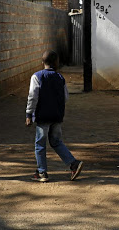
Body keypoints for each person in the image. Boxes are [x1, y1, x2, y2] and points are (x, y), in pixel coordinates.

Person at [26, 50, 83, 182]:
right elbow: (65, 97)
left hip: (43, 117)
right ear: (56, 63)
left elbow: (32, 97)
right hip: (57, 116)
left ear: (42, 62)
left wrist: (29, 114)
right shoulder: (60, 78)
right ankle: (73, 163)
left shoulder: (37, 77)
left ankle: (42, 172)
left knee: (40, 144)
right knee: (56, 142)